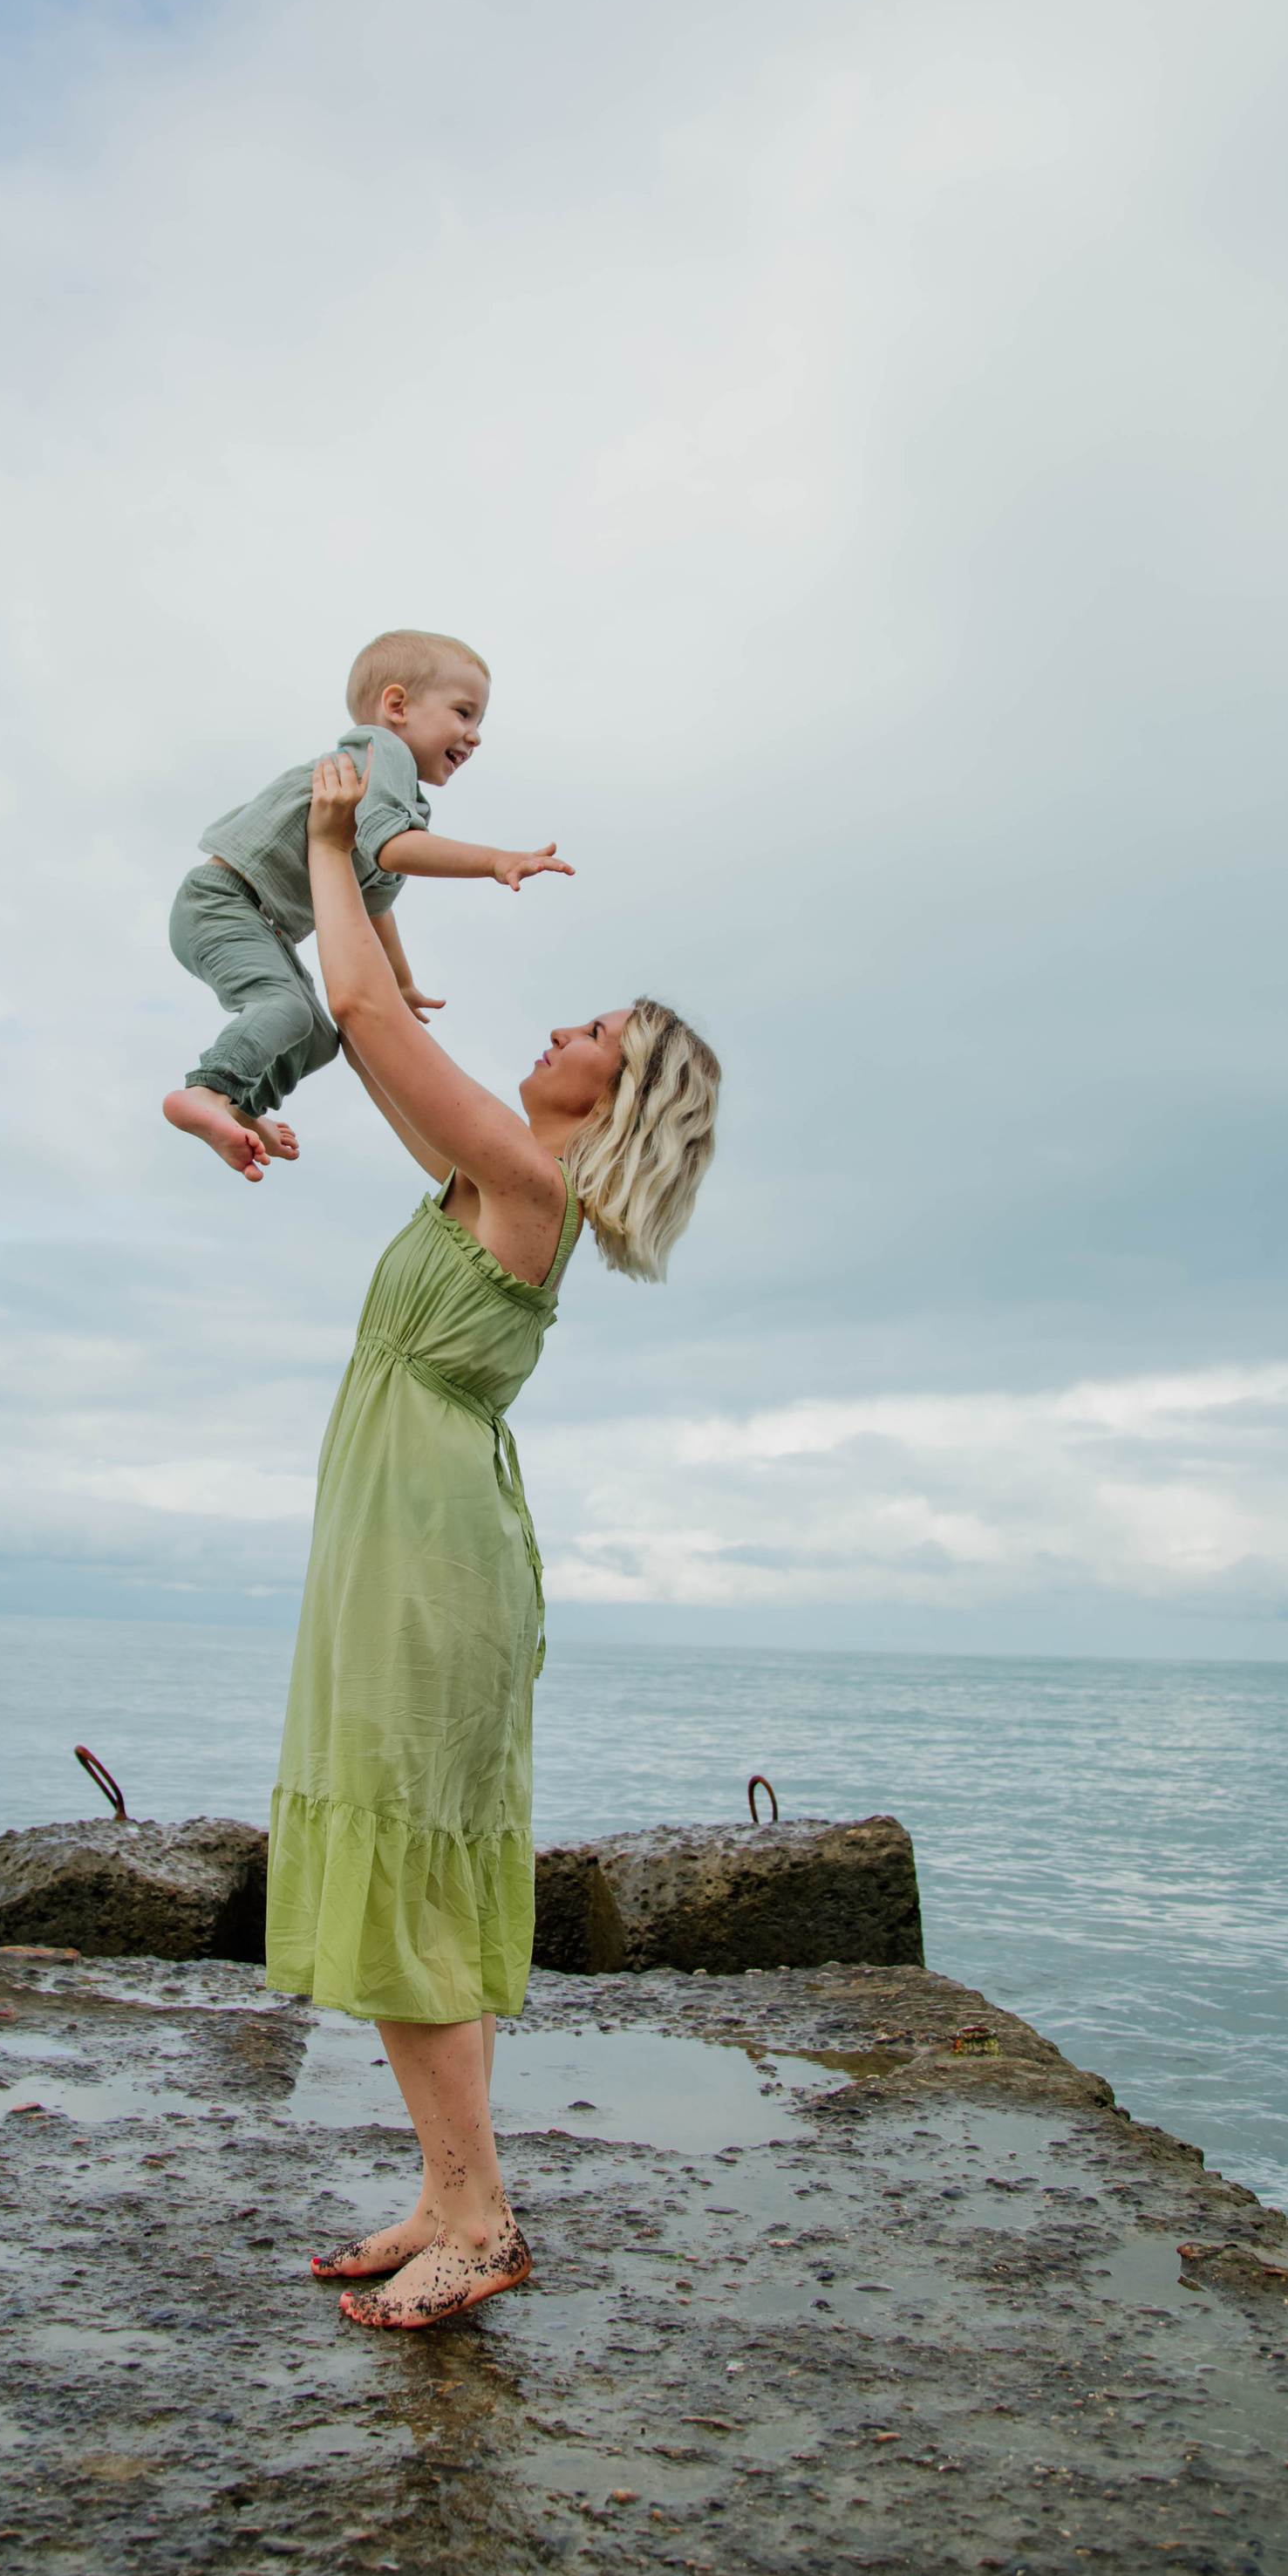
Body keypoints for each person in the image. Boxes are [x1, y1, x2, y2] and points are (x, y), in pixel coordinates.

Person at [265, 750, 721, 2331]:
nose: (563, 1031)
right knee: (406, 1873)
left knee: (411, 1873)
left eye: (598, 1034)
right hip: (402, 1532)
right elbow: (382, 1026)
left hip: (432, 1550)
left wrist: (336, 837)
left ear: (623, 1098)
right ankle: (446, 2195)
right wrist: (378, 906)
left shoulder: (524, 1179)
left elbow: (373, 1025)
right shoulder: (483, 1173)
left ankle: (488, 2219)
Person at [162, 628, 573, 1182]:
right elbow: (393, 846)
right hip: (223, 903)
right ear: (398, 705)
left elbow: (375, 901)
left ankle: (241, 1108)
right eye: (463, 713)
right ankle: (209, 1089)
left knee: (317, 1039)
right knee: (282, 1006)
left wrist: (400, 980)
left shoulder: (398, 794)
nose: (474, 737)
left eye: (479, 723)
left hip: (263, 925)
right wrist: (495, 860)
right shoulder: (384, 753)